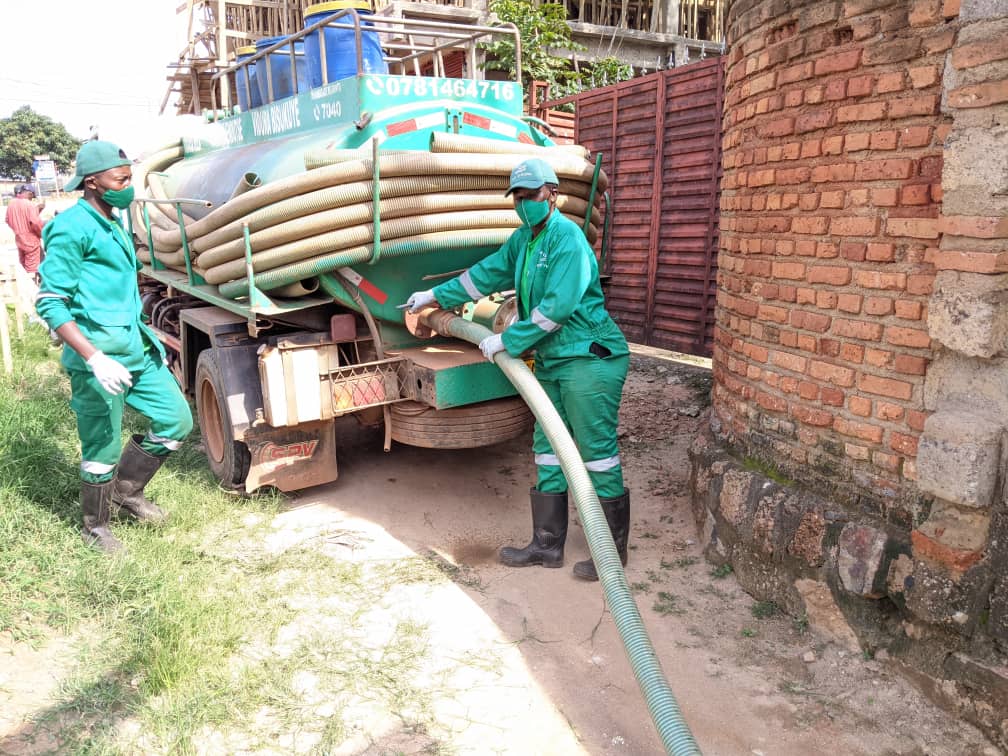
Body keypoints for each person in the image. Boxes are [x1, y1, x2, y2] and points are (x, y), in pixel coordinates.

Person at [405, 157, 630, 581]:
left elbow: (557, 308)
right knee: (547, 448)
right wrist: (434, 294)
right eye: (518, 197)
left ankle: (611, 552)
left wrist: (506, 340)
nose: (524, 203)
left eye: (531, 195)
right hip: (551, 359)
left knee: (595, 453)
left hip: (588, 358)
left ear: (553, 193)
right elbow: (484, 275)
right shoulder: (524, 240)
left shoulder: (569, 240)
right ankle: (547, 545)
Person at [36, 140, 193, 553]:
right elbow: (51, 301)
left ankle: (126, 490)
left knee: (176, 420)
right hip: (99, 360)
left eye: (129, 177)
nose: (128, 186)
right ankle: (96, 526)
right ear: (93, 182)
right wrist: (94, 357)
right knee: (101, 446)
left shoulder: (113, 220)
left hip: (136, 349)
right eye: (119, 179)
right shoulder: (72, 227)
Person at [4, 183, 45, 281]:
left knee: (24, 264)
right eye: (32, 196)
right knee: (32, 268)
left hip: (19, 239)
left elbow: (8, 220)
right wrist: (42, 234)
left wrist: (18, 229)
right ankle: (32, 288)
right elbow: (35, 222)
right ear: (30, 193)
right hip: (31, 240)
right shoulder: (29, 205)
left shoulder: (12, 203)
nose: (32, 199)